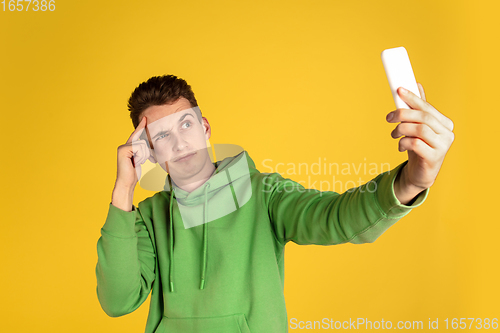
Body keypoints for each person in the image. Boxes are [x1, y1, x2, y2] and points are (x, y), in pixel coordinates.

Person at [95, 75, 454, 333]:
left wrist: (412, 181)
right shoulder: (144, 218)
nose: (179, 142)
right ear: (150, 152)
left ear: (204, 127)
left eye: (185, 124)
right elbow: (118, 301)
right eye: (161, 135)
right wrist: (123, 191)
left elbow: (336, 217)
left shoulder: (265, 194)